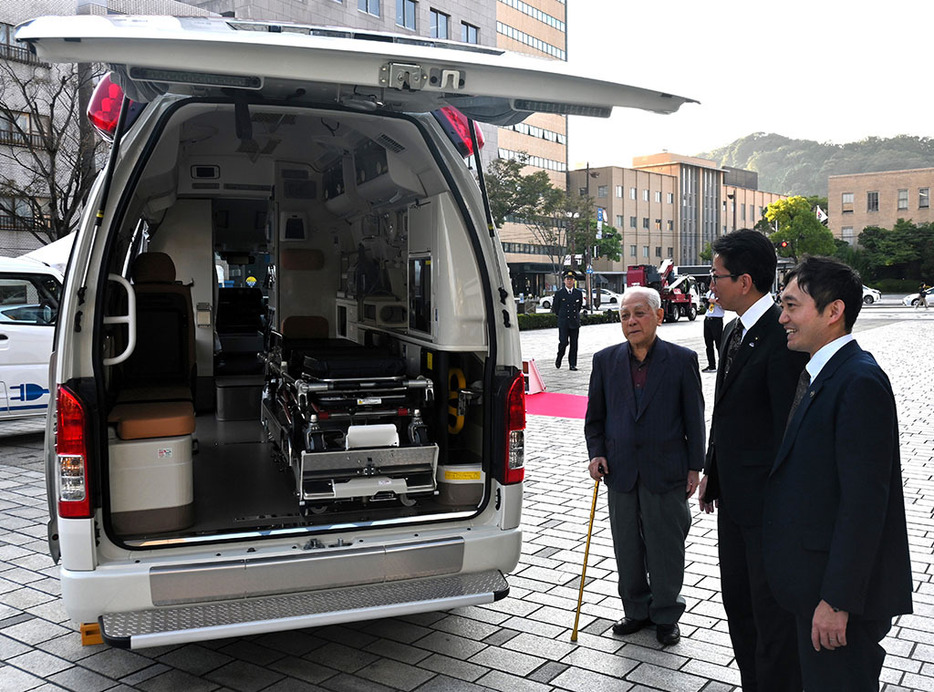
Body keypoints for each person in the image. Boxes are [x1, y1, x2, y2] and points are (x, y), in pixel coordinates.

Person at [765, 256, 912, 689]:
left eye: (792, 306)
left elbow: (865, 504)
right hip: (812, 586)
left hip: (836, 600)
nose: (783, 317)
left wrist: (838, 600)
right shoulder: (823, 373)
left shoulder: (858, 381)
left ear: (834, 312)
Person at [698, 229, 808, 692]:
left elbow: (790, 430)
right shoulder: (733, 331)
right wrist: (712, 471)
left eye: (716, 276)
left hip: (767, 508)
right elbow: (724, 410)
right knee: (738, 605)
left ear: (744, 281)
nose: (711, 285)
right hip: (734, 502)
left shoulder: (782, 338)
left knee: (771, 616)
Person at [585, 287, 705, 647]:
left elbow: (694, 418)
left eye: (639, 313)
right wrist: (596, 453)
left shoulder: (682, 360)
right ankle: (636, 609)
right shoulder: (605, 361)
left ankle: (667, 613)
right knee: (627, 546)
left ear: (659, 316)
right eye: (625, 315)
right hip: (620, 471)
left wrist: (695, 466)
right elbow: (595, 419)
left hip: (666, 469)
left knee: (666, 545)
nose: (631, 321)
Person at [551, 270, 584, 370]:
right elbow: (556, 308)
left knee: (574, 344)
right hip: (564, 322)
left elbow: (579, 307)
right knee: (563, 342)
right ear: (564, 281)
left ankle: (572, 364)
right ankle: (559, 357)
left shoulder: (578, 293)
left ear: (574, 281)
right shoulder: (560, 293)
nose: (569, 281)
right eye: (567, 279)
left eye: (571, 279)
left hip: (574, 322)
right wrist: (562, 316)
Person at [702, 288, 724, 372]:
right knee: (708, 343)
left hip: (717, 320)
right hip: (708, 318)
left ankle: (722, 365)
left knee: (719, 344)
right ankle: (711, 365)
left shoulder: (722, 293)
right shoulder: (709, 293)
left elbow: (724, 305)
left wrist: (714, 301)